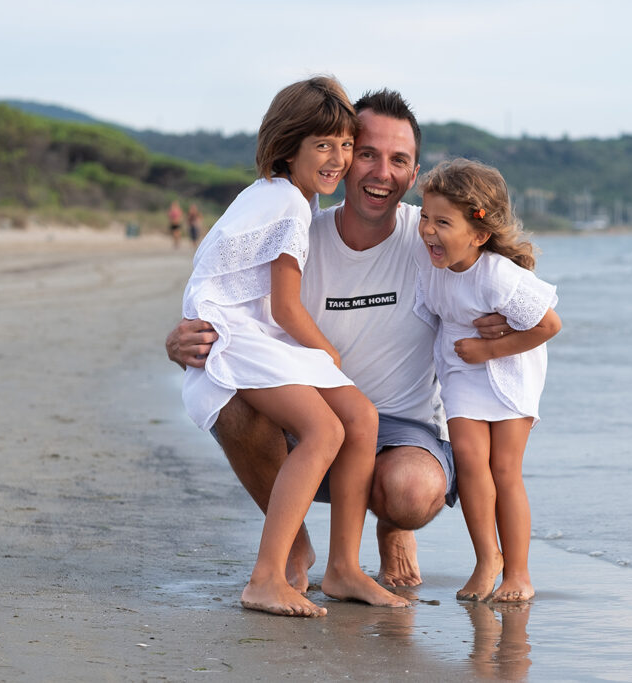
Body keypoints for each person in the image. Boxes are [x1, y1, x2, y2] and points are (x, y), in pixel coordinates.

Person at [165, 89, 514, 590]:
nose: (380, 172)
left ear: (414, 176)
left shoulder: (432, 238)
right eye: (366, 153)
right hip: (309, 420)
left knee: (413, 492)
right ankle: (292, 545)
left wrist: (509, 323)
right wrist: (182, 345)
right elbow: (231, 305)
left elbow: (505, 271)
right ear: (347, 160)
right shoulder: (300, 230)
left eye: (398, 160)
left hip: (399, 433)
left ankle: (390, 528)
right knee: (233, 405)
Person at [181, 76, 407, 617]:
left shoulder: (281, 198)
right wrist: (325, 353)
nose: (338, 158)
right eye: (323, 145)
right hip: (235, 337)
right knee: (327, 427)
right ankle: (265, 577)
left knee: (360, 416)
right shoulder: (286, 204)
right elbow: (284, 308)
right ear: (288, 148)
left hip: (247, 331)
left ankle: (344, 569)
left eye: (345, 144)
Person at [414, 159, 561, 602]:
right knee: (471, 463)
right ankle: (486, 560)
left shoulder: (498, 276)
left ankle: (518, 573)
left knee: (504, 470)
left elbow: (548, 325)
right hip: (460, 372)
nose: (427, 231)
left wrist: (491, 349)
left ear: (479, 234)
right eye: (424, 217)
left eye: (442, 222)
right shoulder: (432, 269)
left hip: (509, 372)